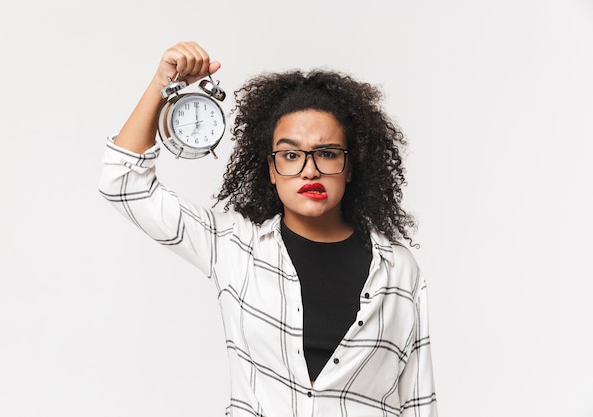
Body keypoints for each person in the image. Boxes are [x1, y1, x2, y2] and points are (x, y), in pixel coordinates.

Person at [99, 41, 438, 417]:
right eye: (291, 155)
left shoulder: (398, 270)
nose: (310, 169)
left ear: (351, 166)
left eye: (327, 153)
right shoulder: (234, 245)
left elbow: (418, 403)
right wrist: (163, 83)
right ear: (272, 170)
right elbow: (123, 185)